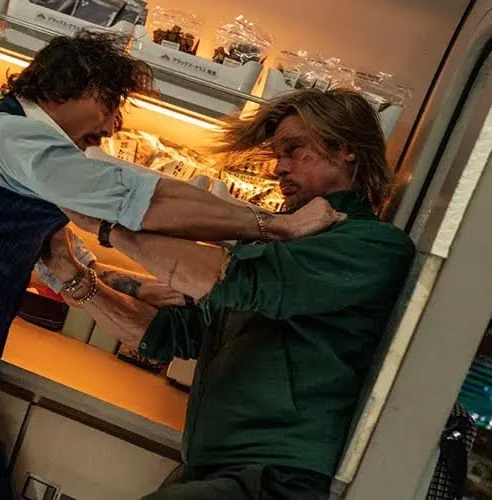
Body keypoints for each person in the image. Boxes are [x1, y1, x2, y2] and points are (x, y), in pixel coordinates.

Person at [0, 32, 343, 499]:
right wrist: (274, 226)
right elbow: (141, 199)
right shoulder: (11, 136)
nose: (110, 128)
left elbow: (59, 261)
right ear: (78, 87)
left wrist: (144, 286)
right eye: (111, 106)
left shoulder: (30, 160)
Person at [39, 88, 416, 500]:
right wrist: (73, 279)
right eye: (277, 155)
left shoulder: (371, 245)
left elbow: (223, 279)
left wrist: (108, 225)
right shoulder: (283, 240)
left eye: (294, 150)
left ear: (346, 149)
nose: (279, 168)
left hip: (276, 479)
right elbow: (175, 334)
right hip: (213, 467)